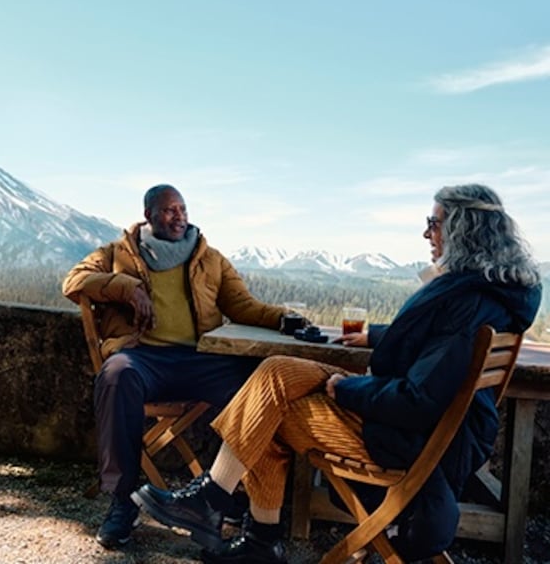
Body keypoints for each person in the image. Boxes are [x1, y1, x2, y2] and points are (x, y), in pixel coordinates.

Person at [132, 183, 542, 563]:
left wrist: (347, 390)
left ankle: (240, 523)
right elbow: (440, 348)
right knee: (275, 373)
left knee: (265, 412)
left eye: (433, 224)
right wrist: (379, 337)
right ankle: (224, 510)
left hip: (403, 438)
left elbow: (418, 401)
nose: (426, 234)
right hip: (426, 431)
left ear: (462, 231)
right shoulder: (490, 293)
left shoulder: (466, 304)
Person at [62, 184, 292, 550]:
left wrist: (284, 317)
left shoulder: (209, 258)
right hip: (143, 358)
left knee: (259, 388)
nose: (179, 215)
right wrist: (123, 286)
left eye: (182, 209)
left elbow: (244, 307)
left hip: (201, 359)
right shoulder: (117, 253)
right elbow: (73, 282)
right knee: (115, 376)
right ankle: (123, 501)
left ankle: (235, 496)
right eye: (169, 210)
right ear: (149, 215)